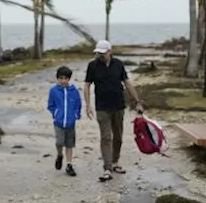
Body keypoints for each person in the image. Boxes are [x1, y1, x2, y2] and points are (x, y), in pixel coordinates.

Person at [84, 39, 143, 182]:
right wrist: (87, 105)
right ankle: (107, 168)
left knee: (118, 137)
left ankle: (115, 162)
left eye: (103, 53)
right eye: (98, 53)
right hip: (102, 107)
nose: (100, 55)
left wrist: (137, 101)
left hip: (118, 106)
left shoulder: (118, 64)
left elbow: (127, 82)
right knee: (106, 137)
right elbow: (87, 85)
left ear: (110, 52)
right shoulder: (92, 66)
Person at [46, 65, 81, 177]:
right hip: (59, 122)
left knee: (69, 144)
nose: (63, 81)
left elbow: (78, 104)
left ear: (69, 79)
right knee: (59, 142)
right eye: (61, 78)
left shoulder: (74, 90)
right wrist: (55, 114)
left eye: (65, 78)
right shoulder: (54, 91)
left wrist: (76, 114)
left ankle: (69, 164)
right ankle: (60, 155)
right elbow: (50, 105)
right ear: (58, 78)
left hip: (71, 123)